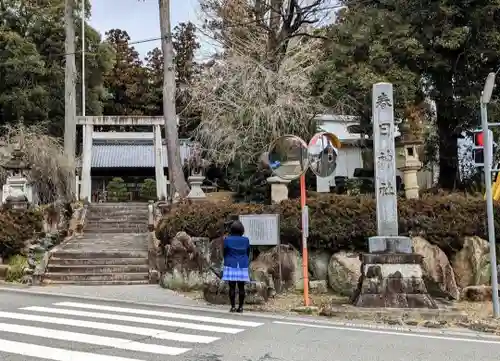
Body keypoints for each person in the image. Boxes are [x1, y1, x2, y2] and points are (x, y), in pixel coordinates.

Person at [222, 220, 250, 313]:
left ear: (232, 229)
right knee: (241, 287)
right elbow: (248, 252)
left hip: (231, 263)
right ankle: (241, 307)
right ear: (242, 230)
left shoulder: (227, 239)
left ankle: (233, 307)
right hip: (242, 264)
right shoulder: (246, 240)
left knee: (232, 287)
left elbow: (224, 252)